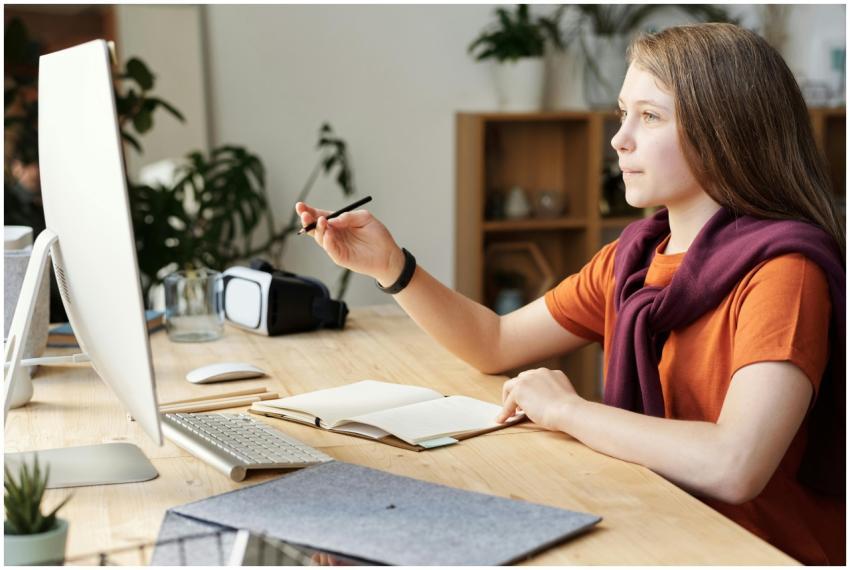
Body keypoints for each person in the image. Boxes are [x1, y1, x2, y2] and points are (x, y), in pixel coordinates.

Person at [295, 23, 845, 565]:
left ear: (727, 132)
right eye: (622, 113)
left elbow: (735, 464)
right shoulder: (633, 260)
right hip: (658, 524)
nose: (619, 139)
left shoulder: (784, 273)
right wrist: (391, 266)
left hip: (754, 552)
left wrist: (568, 411)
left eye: (649, 117)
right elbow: (496, 341)